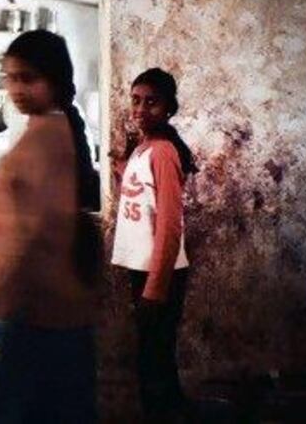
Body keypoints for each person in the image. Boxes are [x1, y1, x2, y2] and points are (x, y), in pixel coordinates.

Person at [0, 30, 101, 423]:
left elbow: (24, 239)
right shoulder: (54, 130)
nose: (17, 88)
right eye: (10, 77)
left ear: (54, 79)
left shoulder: (45, 139)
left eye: (28, 78)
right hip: (53, 312)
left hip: (27, 316)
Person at [111, 67, 197, 422]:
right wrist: (119, 168)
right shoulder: (144, 148)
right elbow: (139, 197)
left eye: (152, 102)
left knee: (154, 362)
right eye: (135, 100)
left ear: (169, 108)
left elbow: (169, 223)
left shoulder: (163, 151)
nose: (141, 109)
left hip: (158, 273)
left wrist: (156, 287)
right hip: (144, 268)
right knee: (155, 358)